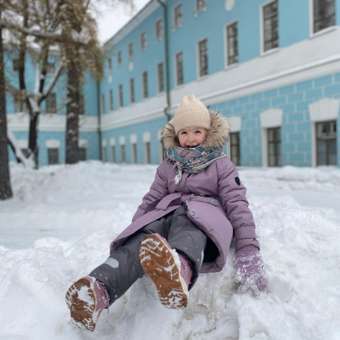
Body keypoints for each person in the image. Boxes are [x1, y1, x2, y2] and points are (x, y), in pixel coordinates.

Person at [65, 95, 268, 331]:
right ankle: (97, 290)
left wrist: (248, 250)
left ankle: (178, 271)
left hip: (204, 221)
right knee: (140, 243)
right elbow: (151, 199)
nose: (190, 138)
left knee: (189, 227)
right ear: (176, 136)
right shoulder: (169, 165)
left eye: (196, 131)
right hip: (166, 214)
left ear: (208, 133)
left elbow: (237, 204)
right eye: (184, 133)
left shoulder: (221, 165)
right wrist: (134, 228)